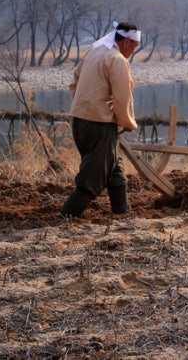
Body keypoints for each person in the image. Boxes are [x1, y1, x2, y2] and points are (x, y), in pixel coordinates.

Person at [60, 21, 140, 218]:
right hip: (100, 125)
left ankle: (122, 214)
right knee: (92, 178)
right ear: (127, 41)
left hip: (80, 122)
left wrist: (87, 106)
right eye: (134, 46)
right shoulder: (117, 60)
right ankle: (67, 216)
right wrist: (128, 122)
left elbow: (74, 83)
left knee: (115, 171)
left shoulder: (94, 52)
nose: (133, 51)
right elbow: (122, 98)